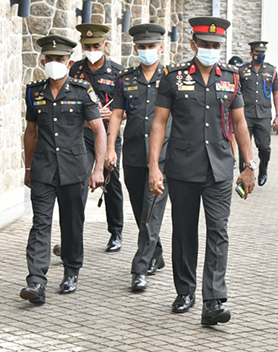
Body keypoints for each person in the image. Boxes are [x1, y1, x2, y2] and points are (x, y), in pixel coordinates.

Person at [148, 16, 256, 326]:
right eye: (205, 45)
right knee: (184, 231)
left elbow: (240, 124)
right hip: (183, 168)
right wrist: (155, 166)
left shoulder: (232, 79)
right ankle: (185, 291)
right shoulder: (173, 77)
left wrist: (248, 166)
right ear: (193, 44)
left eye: (216, 46)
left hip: (220, 168)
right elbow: (158, 123)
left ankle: (213, 299)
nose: (210, 50)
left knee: (218, 231)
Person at [20, 35, 106, 305]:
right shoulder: (34, 92)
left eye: (60, 59)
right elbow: (31, 132)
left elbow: (98, 130)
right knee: (40, 224)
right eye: (50, 59)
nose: (54, 63)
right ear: (42, 61)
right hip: (44, 169)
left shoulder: (82, 91)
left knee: (72, 224)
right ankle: (36, 281)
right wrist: (28, 166)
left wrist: (98, 169)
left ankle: (71, 271)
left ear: (69, 62)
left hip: (74, 169)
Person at [105, 23, 171, 292]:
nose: (147, 51)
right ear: (135, 49)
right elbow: (117, 115)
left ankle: (140, 267)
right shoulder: (125, 79)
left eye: (151, 46)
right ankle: (155, 252)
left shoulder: (171, 78)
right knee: (140, 212)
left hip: (163, 156)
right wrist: (110, 148)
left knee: (151, 212)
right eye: (142, 47)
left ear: (161, 48)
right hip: (132, 154)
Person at [67, 23, 125, 252]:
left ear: (105, 45)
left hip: (109, 135)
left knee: (111, 181)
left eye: (96, 45)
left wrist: (113, 114)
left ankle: (116, 232)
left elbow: (128, 108)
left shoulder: (118, 73)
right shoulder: (75, 71)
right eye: (87, 45)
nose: (92, 49)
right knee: (78, 181)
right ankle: (73, 235)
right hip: (83, 134)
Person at [238, 41, 278, 185]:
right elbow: (237, 93)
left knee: (264, 147)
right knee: (243, 147)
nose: (260, 55)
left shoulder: (271, 70)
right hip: (245, 115)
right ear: (251, 54)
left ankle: (263, 170)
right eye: (258, 53)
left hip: (263, 115)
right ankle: (243, 176)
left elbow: (276, 93)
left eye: (263, 53)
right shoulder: (242, 71)